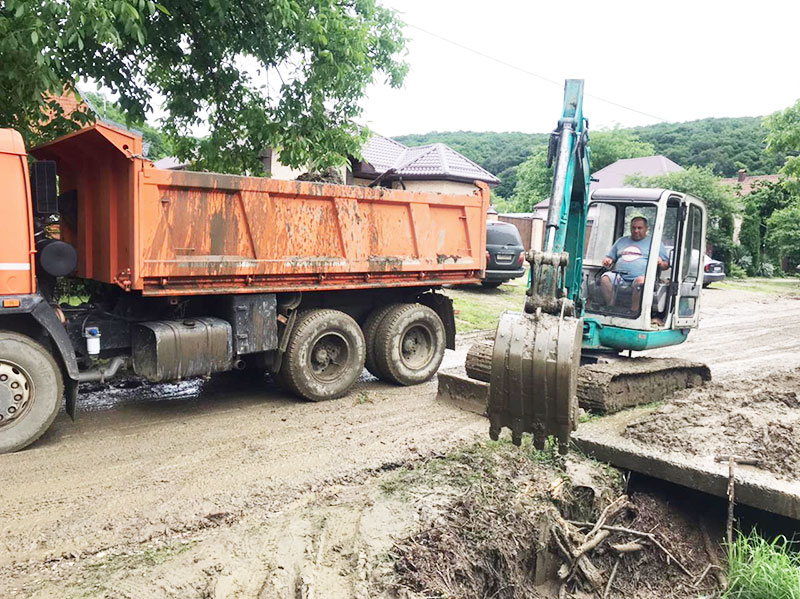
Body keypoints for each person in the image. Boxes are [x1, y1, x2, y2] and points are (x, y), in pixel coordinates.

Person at [600, 216, 669, 312]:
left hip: (641, 277)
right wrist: (607, 260)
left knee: (640, 282)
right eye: (633, 228)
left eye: (639, 228)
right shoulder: (621, 241)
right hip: (619, 276)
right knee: (605, 278)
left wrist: (660, 262)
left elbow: (666, 265)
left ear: (646, 228)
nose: (636, 231)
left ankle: (633, 312)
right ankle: (610, 308)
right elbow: (610, 257)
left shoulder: (655, 243)